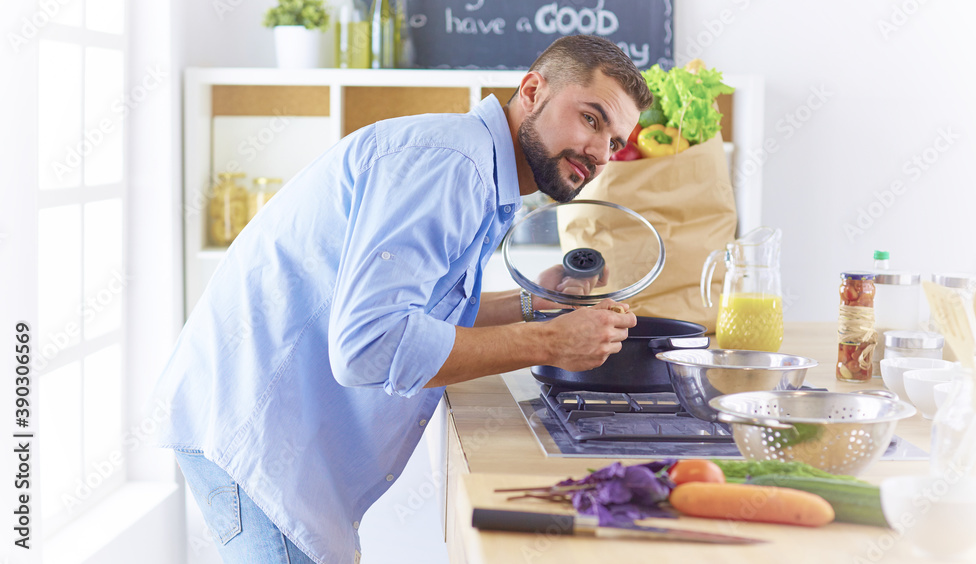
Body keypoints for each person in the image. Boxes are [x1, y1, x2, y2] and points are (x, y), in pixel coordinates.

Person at [150, 34, 652, 563]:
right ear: (532, 90)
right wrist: (549, 342)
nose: (600, 153)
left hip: (268, 440)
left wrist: (533, 305)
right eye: (591, 119)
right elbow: (369, 345)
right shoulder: (454, 166)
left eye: (615, 141)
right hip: (258, 445)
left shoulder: (478, 170)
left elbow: (416, 311)